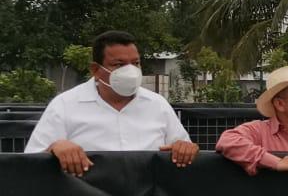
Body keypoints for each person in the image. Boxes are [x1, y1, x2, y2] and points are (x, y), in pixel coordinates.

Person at [25, 30, 198, 175]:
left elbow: (182, 147)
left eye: (135, 63)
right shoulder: (65, 105)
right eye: (119, 64)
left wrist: (185, 148)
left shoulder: (157, 104)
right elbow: (31, 160)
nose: (130, 71)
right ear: (96, 70)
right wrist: (55, 147)